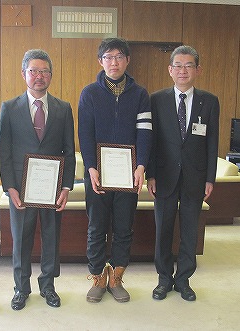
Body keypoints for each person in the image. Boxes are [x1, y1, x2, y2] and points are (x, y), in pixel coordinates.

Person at [0, 49, 75, 311]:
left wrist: (66, 186)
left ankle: (48, 286)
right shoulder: (9, 108)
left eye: (44, 71)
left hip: (52, 189)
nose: (39, 76)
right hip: (21, 189)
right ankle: (21, 288)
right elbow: (3, 151)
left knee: (52, 238)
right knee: (21, 239)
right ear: (24, 74)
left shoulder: (64, 109)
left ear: (51, 75)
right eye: (33, 71)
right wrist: (10, 187)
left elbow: (68, 149)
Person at [78, 38, 152, 303]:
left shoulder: (141, 94)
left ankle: (117, 277)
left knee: (124, 227)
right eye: (108, 57)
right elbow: (84, 134)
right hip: (98, 173)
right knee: (96, 227)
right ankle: (98, 277)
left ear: (127, 60)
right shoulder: (89, 93)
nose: (114, 62)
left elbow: (145, 133)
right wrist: (91, 167)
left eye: (119, 56)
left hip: (128, 174)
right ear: (100, 61)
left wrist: (141, 164)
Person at [146, 45, 219, 302]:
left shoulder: (209, 101)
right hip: (163, 177)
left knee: (190, 232)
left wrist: (210, 177)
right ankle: (164, 280)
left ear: (197, 70)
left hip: (195, 178)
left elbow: (212, 142)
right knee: (163, 231)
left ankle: (184, 280)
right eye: (178, 65)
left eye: (189, 65)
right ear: (170, 70)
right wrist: (151, 175)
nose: (183, 70)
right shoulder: (156, 100)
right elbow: (151, 141)